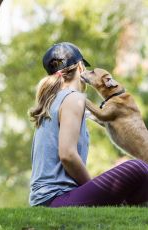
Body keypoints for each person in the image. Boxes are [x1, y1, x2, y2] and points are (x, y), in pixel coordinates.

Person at [29, 42, 148, 207]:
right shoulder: (74, 98)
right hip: (57, 198)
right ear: (80, 67)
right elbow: (67, 155)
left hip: (46, 199)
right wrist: (92, 186)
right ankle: (118, 205)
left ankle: (122, 209)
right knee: (138, 167)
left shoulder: (52, 101)